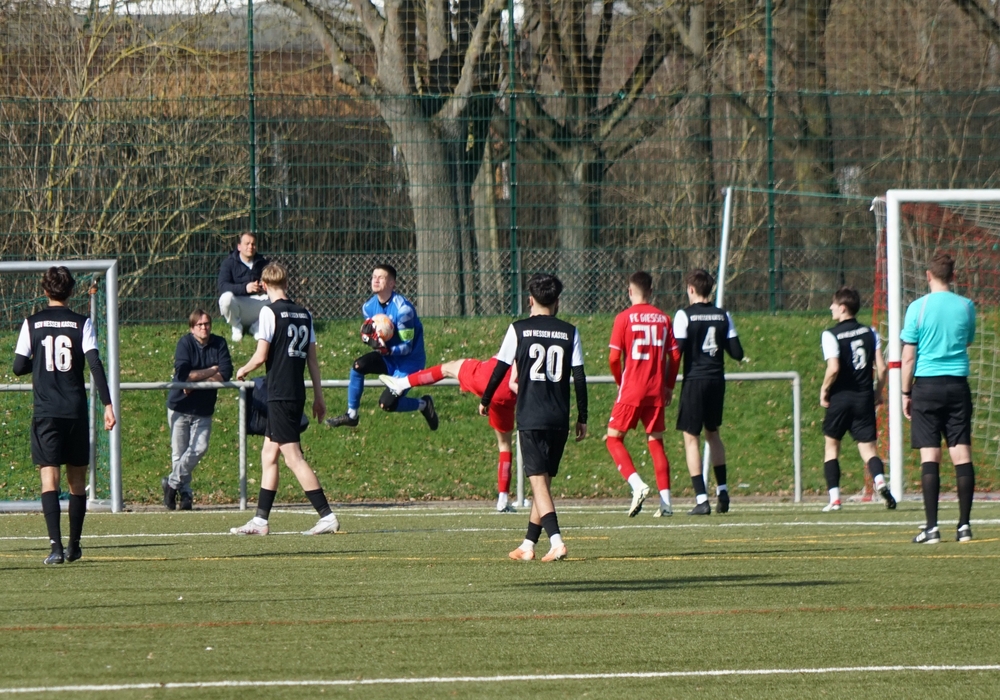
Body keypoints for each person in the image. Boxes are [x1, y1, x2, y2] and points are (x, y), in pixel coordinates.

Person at [480, 273, 587, 562]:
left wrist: (486, 399)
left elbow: (500, 368)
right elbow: (579, 377)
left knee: (538, 484)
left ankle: (557, 541)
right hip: (559, 417)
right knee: (543, 485)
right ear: (557, 301)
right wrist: (583, 416)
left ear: (530, 300)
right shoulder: (570, 331)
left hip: (531, 416)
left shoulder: (519, 329)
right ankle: (528, 544)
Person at [13, 266, 116, 564]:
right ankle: (74, 546)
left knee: (50, 478)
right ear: (71, 291)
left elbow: (18, 367)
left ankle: (55, 547)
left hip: (46, 412)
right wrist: (108, 405)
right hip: (74, 411)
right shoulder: (82, 323)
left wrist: (38, 363)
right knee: (76, 480)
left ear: (45, 291)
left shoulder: (31, 323)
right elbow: (94, 363)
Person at [230, 262, 340, 536]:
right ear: (287, 283)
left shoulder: (269, 312)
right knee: (269, 454)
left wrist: (243, 369)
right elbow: (312, 361)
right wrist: (319, 397)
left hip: (279, 393)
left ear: (265, 286)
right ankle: (260, 520)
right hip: (295, 392)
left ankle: (326, 515)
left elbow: (261, 356)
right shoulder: (305, 314)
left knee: (293, 457)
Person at [901, 254, 977, 544]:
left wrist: (906, 392)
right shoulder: (966, 306)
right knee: (962, 454)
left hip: (927, 387)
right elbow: (967, 340)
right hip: (957, 385)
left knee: (930, 455)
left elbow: (908, 357)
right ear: (953, 276)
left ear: (928, 275)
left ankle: (932, 528)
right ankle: (964, 526)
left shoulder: (917, 308)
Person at [380, 357, 518, 512]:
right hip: (508, 394)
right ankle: (502, 500)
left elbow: (506, 357)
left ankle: (402, 383)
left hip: (490, 376)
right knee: (504, 445)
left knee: (449, 367)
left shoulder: (517, 339)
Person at [326, 263, 438, 430]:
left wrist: (387, 350)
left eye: (381, 277)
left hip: (409, 362)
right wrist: (369, 338)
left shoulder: (404, 310)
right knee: (358, 366)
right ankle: (351, 415)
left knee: (386, 404)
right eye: (373, 277)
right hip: (388, 357)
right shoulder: (368, 307)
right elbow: (377, 339)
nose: (375, 280)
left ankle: (423, 404)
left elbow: (407, 347)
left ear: (392, 283)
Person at [606, 271, 681, 518]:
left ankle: (637, 485)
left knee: (613, 439)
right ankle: (666, 504)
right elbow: (675, 355)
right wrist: (669, 386)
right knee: (656, 442)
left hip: (631, 389)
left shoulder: (623, 318)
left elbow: (614, 358)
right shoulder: (664, 319)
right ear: (651, 292)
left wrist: (620, 381)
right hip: (655, 389)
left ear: (630, 291)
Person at [674, 269, 744, 515]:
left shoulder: (684, 315)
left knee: (691, 437)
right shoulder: (724, 315)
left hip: (695, 381)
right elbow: (737, 353)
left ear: (691, 289)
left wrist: (667, 382)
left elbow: (676, 352)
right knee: (713, 434)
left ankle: (701, 499)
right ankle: (722, 491)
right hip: (716, 380)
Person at [819, 287, 895, 512]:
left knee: (831, 448)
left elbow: (833, 368)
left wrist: (824, 389)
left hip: (841, 397)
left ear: (843, 308)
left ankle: (835, 499)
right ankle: (879, 481)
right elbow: (882, 368)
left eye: (834, 304)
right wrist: (878, 392)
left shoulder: (830, 334)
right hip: (864, 398)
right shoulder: (870, 332)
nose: (831, 308)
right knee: (869, 450)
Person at [162, 309, 233, 511]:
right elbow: (183, 374)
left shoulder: (219, 343)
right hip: (180, 406)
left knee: (199, 448)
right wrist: (211, 370)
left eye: (207, 324)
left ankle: (171, 484)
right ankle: (185, 494)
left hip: (203, 408)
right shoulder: (185, 344)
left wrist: (196, 382)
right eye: (199, 325)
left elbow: (226, 372)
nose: (204, 328)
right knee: (179, 453)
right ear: (192, 328)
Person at [218, 231, 269, 342]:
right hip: (238, 305)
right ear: (239, 247)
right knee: (226, 298)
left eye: (253, 244)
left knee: (277, 299)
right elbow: (223, 286)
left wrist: (264, 288)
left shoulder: (263, 263)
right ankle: (237, 327)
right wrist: (245, 288)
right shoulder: (228, 263)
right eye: (247, 244)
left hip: (258, 302)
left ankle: (257, 326)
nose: (250, 246)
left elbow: (272, 284)